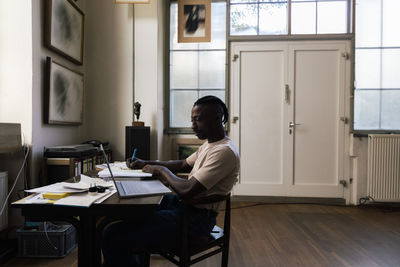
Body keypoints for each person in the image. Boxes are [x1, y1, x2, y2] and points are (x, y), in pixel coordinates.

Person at [101, 95, 240, 267]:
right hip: (185, 208)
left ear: (217, 118)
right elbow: (182, 164)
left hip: (197, 220)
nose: (193, 126)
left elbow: (187, 189)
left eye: (197, 120)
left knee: (113, 235)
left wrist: (161, 170)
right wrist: (146, 163)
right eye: (192, 120)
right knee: (132, 211)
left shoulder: (224, 151)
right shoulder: (210, 144)